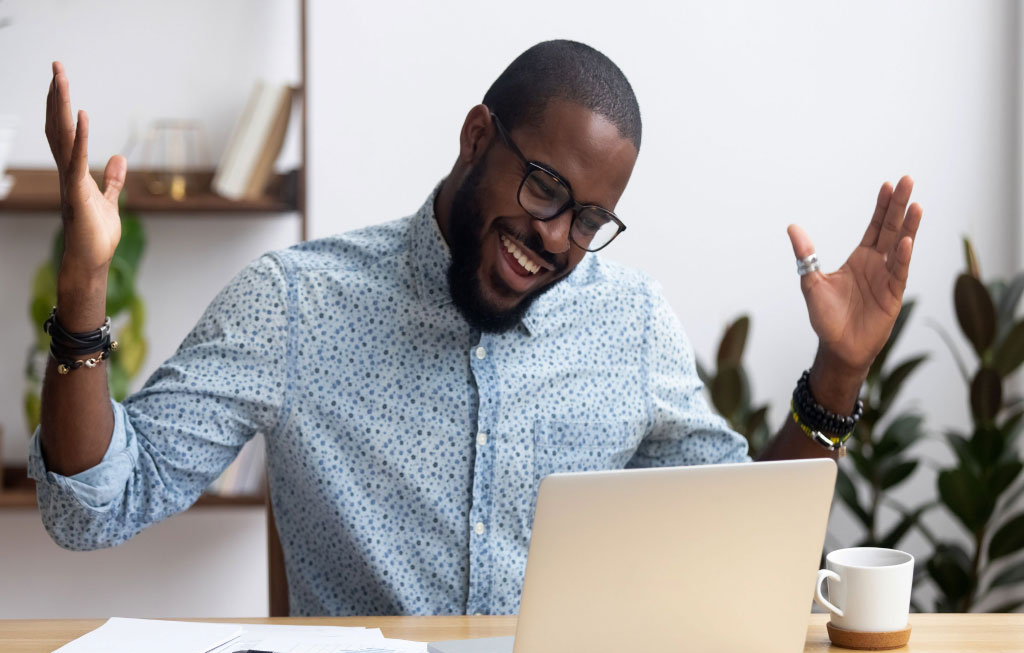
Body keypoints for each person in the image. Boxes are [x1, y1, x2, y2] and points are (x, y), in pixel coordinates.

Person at [33, 40, 921, 616]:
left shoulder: (631, 323)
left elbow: (745, 543)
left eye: (588, 220)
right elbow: (91, 505)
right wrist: (83, 288)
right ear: (475, 136)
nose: (555, 239)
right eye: (543, 189)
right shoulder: (297, 302)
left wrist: (838, 371)